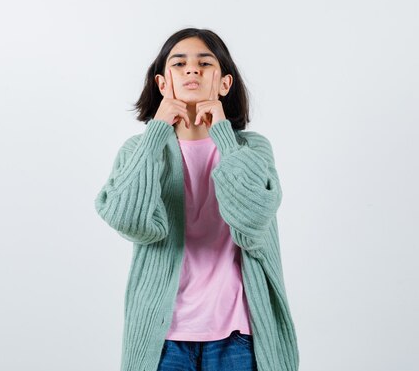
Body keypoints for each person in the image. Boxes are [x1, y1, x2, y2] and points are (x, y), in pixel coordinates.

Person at [94, 27, 299, 371]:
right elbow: (125, 217)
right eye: (179, 64)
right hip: (162, 339)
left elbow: (252, 220)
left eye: (205, 63)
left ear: (224, 84)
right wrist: (157, 131)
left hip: (240, 337)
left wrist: (223, 135)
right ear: (162, 84)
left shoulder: (252, 149)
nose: (192, 70)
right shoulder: (139, 151)